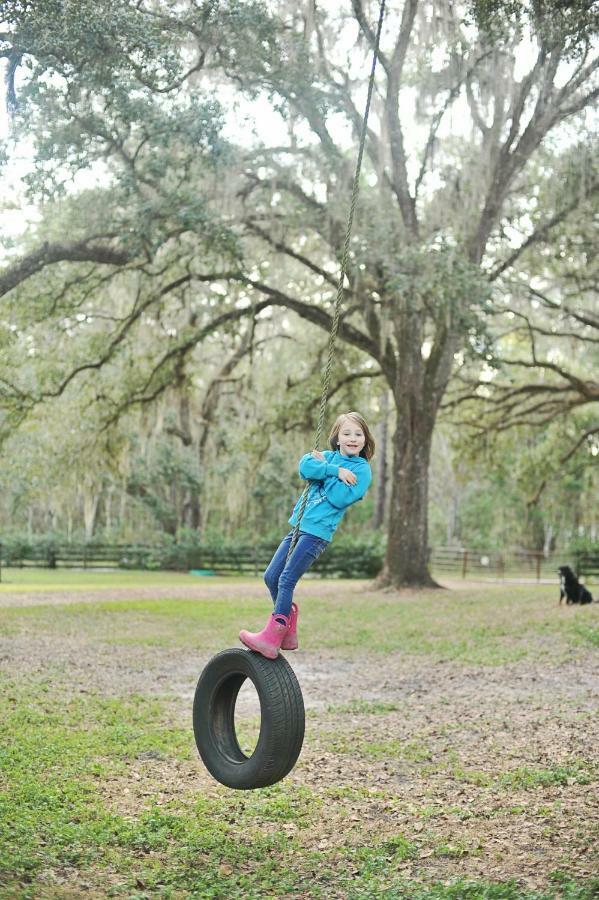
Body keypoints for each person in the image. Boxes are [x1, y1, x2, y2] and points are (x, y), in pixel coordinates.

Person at [239, 411, 375, 658]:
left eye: (358, 434)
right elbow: (305, 466)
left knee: (287, 578)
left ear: (365, 439)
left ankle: (274, 635)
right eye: (347, 433)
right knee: (271, 576)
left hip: (317, 533)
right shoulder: (332, 459)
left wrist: (324, 471)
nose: (353, 438)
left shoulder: (362, 470)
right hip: (300, 526)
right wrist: (334, 471)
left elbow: (337, 497)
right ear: (337, 437)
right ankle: (288, 627)